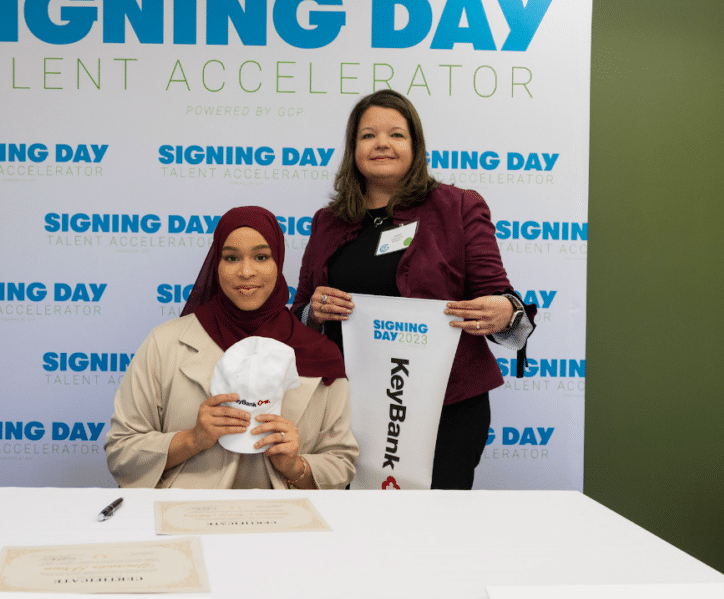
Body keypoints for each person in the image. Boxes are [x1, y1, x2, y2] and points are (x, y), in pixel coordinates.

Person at [292, 90, 535, 490]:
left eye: (396, 135)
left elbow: (503, 299)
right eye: (368, 135)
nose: (382, 143)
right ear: (353, 149)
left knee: (433, 534)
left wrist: (504, 312)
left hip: (447, 408)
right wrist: (312, 313)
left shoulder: (458, 207)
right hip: (347, 410)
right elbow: (299, 313)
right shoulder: (327, 222)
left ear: (415, 146)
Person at [105, 206, 358, 490]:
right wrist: (192, 439)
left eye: (261, 257)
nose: (246, 272)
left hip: (282, 521)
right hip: (187, 514)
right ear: (217, 264)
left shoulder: (319, 353)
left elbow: (341, 462)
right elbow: (121, 451)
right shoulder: (166, 343)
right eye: (232, 258)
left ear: (278, 261)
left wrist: (294, 466)